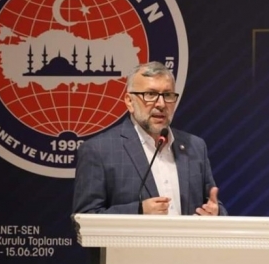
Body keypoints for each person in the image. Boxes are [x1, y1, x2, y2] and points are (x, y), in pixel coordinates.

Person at [72, 60, 228, 216]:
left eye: (167, 95)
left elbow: (212, 205)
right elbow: (84, 217)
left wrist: (216, 213)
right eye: (150, 94)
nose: (161, 104)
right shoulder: (99, 150)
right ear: (129, 101)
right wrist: (139, 211)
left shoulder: (195, 146)